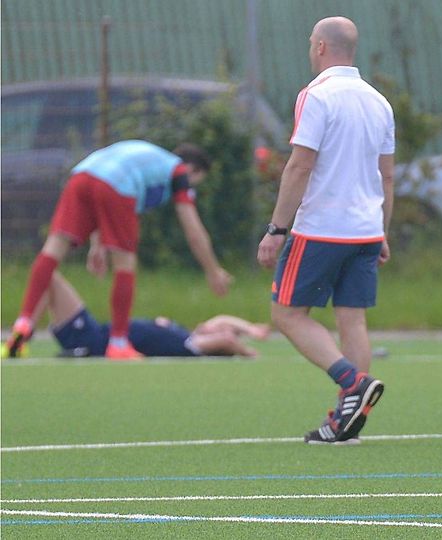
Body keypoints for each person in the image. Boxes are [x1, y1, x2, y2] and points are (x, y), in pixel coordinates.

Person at [257, 16, 394, 444]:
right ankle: (344, 423)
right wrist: (382, 229)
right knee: (351, 320)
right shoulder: (379, 101)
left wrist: (277, 228)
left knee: (286, 314)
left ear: (319, 47)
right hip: (367, 229)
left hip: (322, 228)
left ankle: (352, 382)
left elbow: (300, 164)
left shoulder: (316, 95)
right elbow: (387, 176)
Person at [3, 141, 233, 360]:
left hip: (81, 175)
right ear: (192, 169)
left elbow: (98, 188)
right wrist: (212, 271)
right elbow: (194, 232)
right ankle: (119, 343)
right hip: (117, 185)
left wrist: (97, 245)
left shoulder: (148, 156)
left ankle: (24, 323)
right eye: (194, 183)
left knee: (52, 250)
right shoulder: (178, 171)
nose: (189, 188)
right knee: (125, 263)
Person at [33, 271, 267, 358]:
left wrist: (248, 351)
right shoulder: (181, 333)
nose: (217, 324)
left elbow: (226, 338)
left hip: (91, 340)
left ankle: (22, 336)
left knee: (49, 277)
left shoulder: (189, 344)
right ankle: (23, 333)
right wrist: (250, 329)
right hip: (97, 332)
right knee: (48, 278)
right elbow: (222, 322)